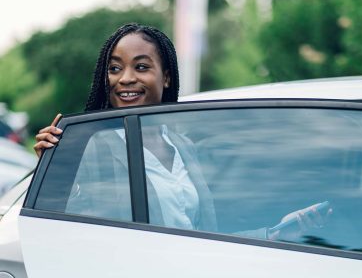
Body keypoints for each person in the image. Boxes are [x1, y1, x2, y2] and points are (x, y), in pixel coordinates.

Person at [33, 23, 330, 239]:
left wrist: (272, 233)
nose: (125, 78)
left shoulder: (182, 147)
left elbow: (199, 237)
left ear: (166, 78)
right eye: (114, 68)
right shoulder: (92, 144)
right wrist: (52, 165)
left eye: (141, 67)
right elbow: (68, 229)